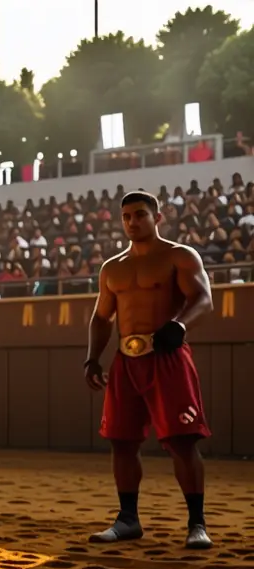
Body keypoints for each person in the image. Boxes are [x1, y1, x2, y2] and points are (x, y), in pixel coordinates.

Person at [84, 191, 213, 550]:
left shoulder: (178, 256)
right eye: (126, 216)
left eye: (140, 215)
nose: (132, 222)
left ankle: (197, 523)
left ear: (158, 217)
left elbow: (203, 298)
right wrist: (93, 357)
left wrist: (181, 326)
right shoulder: (112, 267)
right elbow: (101, 316)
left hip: (167, 356)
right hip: (126, 360)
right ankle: (128, 519)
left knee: (182, 441)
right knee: (121, 441)